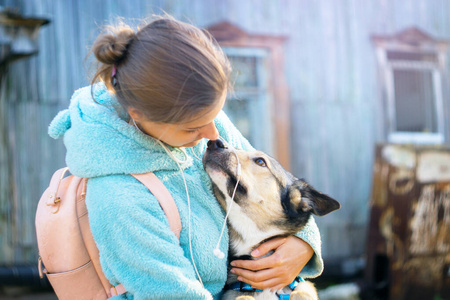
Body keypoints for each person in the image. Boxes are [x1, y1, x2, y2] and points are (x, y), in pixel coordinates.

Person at [48, 15, 324, 299]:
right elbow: (172, 292)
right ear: (138, 116)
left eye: (214, 116)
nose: (213, 134)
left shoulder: (198, 117)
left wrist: (303, 244)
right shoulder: (119, 195)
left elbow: (276, 192)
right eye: (193, 127)